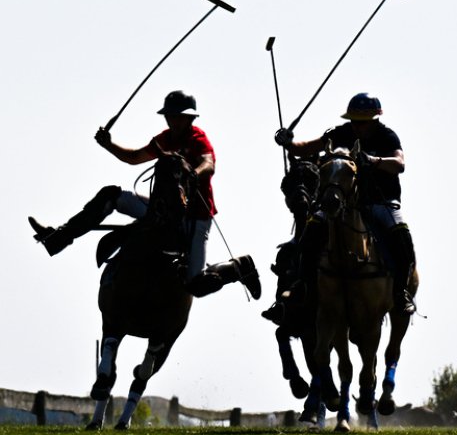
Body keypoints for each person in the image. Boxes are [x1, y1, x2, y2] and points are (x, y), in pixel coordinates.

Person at [28, 90, 261, 299]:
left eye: (177, 116)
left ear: (189, 118)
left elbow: (208, 164)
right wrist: (109, 145)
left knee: (196, 285)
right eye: (169, 116)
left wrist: (193, 173)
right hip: (163, 209)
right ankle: (59, 238)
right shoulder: (165, 138)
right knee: (112, 196)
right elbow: (134, 157)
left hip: (195, 217)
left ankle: (238, 267)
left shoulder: (198, 139)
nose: (172, 121)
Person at [271, 92, 417, 314]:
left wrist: (373, 161)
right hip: (342, 204)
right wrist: (288, 142)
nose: (358, 127)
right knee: (310, 233)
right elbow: (305, 148)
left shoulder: (387, 136)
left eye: (363, 122)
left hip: (382, 202)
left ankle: (400, 291)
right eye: (354, 122)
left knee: (401, 237)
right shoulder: (339, 133)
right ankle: (303, 286)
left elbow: (399, 163)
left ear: (375, 119)